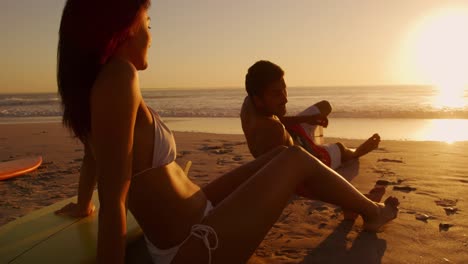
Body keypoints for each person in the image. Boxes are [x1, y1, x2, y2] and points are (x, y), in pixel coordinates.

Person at [55, 1, 399, 263]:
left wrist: (83, 205)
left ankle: (356, 206)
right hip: (191, 244)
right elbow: (114, 199)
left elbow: (93, 157)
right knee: (295, 158)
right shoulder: (119, 77)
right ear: (125, 27)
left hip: (198, 211)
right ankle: (372, 213)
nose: (151, 33)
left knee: (281, 155)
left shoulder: (95, 87)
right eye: (148, 22)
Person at [241, 60, 381, 170]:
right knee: (340, 148)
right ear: (258, 99)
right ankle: (356, 152)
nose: (285, 99)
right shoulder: (273, 131)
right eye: (276, 94)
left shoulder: (249, 104)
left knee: (324, 106)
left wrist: (310, 119)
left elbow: (277, 120)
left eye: (284, 90)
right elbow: (297, 176)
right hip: (310, 154)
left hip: (292, 133)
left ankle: (313, 135)